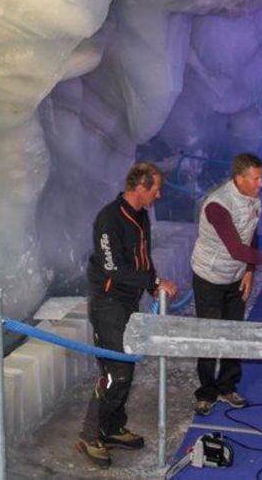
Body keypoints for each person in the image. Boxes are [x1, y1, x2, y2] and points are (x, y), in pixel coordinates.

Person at [77, 162, 178, 469]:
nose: (159, 195)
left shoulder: (141, 215)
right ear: (141, 188)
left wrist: (152, 285)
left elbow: (143, 259)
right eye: (156, 189)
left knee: (126, 368)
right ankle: (89, 435)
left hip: (128, 302)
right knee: (115, 372)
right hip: (108, 303)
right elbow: (113, 269)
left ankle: (112, 427)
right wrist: (154, 282)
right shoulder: (109, 219)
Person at [190, 152, 262, 416]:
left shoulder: (253, 198)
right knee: (209, 336)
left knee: (235, 333)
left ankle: (227, 386)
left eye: (261, 178)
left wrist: (250, 271)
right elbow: (236, 249)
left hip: (236, 276)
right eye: (255, 179)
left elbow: (250, 234)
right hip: (209, 277)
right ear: (239, 178)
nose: (261, 184)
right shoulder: (217, 205)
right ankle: (206, 392)